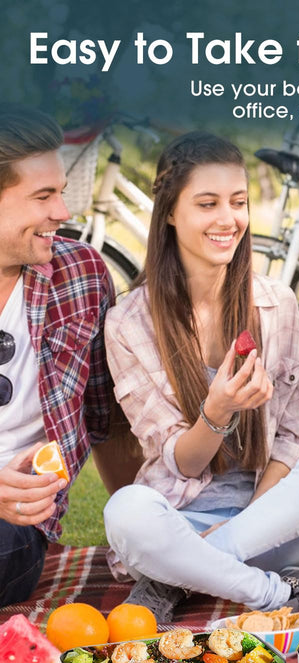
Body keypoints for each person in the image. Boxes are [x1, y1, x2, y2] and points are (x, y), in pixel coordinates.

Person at [103, 132, 299, 621]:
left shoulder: (277, 304)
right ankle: (276, 593)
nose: (227, 219)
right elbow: (182, 465)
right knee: (125, 512)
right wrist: (217, 412)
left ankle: (178, 580)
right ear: (170, 212)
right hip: (179, 523)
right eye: (207, 203)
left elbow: (296, 436)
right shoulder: (129, 323)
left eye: (238, 202)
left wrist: (246, 523)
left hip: (271, 524)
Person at [0, 104, 134, 608]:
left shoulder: (79, 274)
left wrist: (138, 532)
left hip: (16, 527)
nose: (63, 212)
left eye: (60, 190)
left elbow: (108, 419)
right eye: (43, 196)